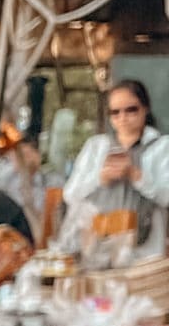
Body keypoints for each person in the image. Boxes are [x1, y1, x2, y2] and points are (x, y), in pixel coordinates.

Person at [61, 77, 169, 258]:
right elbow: (70, 194)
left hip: (145, 252)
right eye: (115, 112)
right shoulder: (96, 146)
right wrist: (100, 178)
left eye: (131, 110)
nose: (123, 117)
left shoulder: (163, 146)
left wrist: (136, 176)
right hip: (97, 247)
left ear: (145, 108)